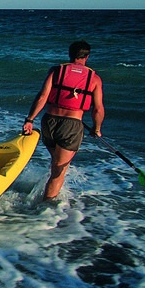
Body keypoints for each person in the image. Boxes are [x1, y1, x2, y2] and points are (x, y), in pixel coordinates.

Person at [23, 40, 105, 200]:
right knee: (59, 171)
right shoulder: (94, 79)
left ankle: (43, 191)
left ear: (70, 54)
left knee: (56, 163)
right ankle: (46, 208)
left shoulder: (56, 71)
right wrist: (97, 129)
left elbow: (42, 97)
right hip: (71, 126)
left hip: (49, 122)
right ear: (87, 57)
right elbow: (98, 109)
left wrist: (30, 119)